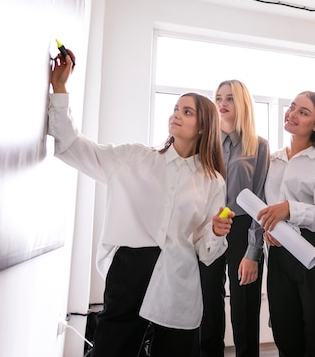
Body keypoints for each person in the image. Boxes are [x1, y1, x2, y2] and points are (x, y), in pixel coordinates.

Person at [47, 49, 234, 357]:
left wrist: (216, 231)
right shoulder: (134, 158)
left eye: (187, 112)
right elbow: (73, 147)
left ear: (203, 127)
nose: (176, 114)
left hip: (178, 273)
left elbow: (204, 250)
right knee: (112, 349)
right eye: (176, 108)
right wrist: (61, 89)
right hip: (130, 268)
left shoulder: (212, 181)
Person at [256, 91, 315, 357]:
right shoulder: (273, 159)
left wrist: (290, 210)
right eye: (293, 107)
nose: (293, 114)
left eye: (303, 112)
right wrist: (269, 228)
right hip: (279, 253)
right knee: (285, 336)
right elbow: (266, 207)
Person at [196, 80, 269, 357]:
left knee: (245, 309)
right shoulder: (204, 144)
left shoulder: (259, 146)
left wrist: (253, 250)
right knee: (208, 306)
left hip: (242, 228)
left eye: (230, 98)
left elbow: (260, 199)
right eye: (218, 97)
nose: (222, 103)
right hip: (209, 227)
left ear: (242, 104)